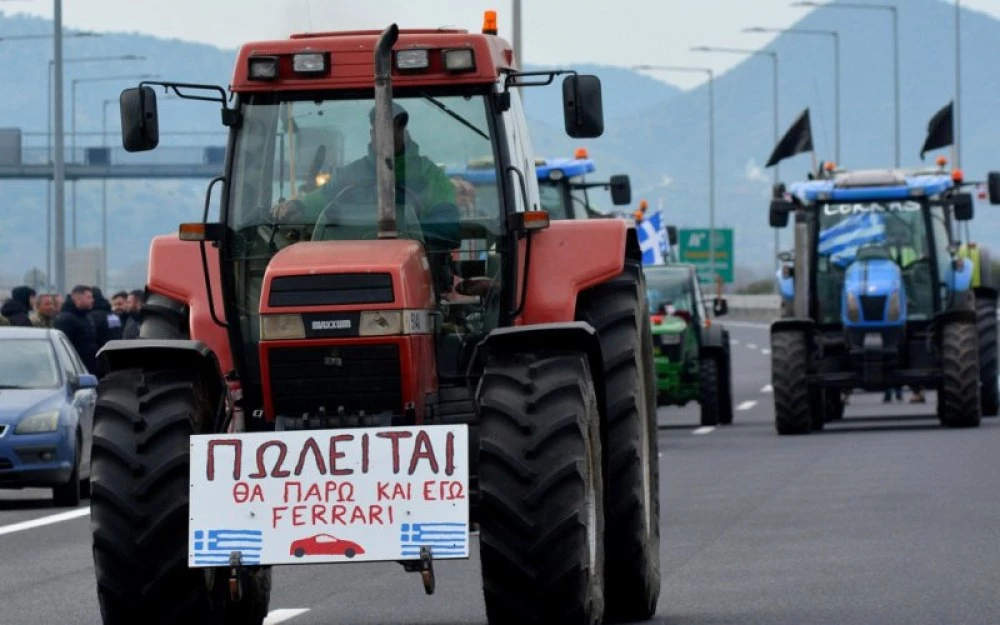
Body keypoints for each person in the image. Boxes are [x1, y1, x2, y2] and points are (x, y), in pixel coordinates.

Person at [271, 102, 459, 249]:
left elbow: (447, 228)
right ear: (371, 133)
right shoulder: (350, 174)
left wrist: (402, 231)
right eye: (380, 129)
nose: (386, 135)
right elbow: (319, 200)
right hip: (351, 262)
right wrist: (297, 206)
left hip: (418, 263)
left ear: (404, 132)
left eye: (391, 128)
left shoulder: (430, 175)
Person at [54, 285, 98, 373]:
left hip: (89, 365)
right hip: (75, 367)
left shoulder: (86, 316)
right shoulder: (66, 318)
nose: (92, 300)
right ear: (78, 299)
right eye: (89, 297)